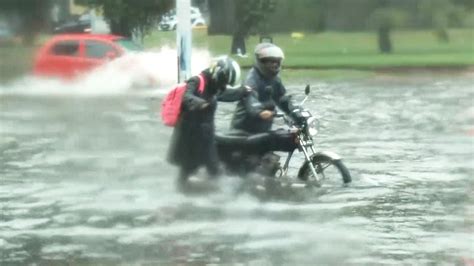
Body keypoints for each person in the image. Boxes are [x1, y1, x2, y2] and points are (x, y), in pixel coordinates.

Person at [167, 56, 243, 188]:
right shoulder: (196, 81)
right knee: (189, 169)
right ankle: (183, 197)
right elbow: (186, 97)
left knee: (212, 168)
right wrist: (199, 103)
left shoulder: (214, 86)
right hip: (190, 137)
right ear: (218, 74)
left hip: (205, 136)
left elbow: (223, 95)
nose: (224, 86)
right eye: (224, 82)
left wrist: (242, 92)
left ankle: (216, 197)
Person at [228, 43, 299, 176]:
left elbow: (282, 99)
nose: (275, 65)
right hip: (245, 131)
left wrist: (296, 113)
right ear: (262, 62)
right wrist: (260, 111)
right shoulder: (252, 79)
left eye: (277, 62)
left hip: (262, 130)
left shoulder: (274, 80)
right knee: (256, 167)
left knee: (284, 139)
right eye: (271, 62)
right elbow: (251, 99)